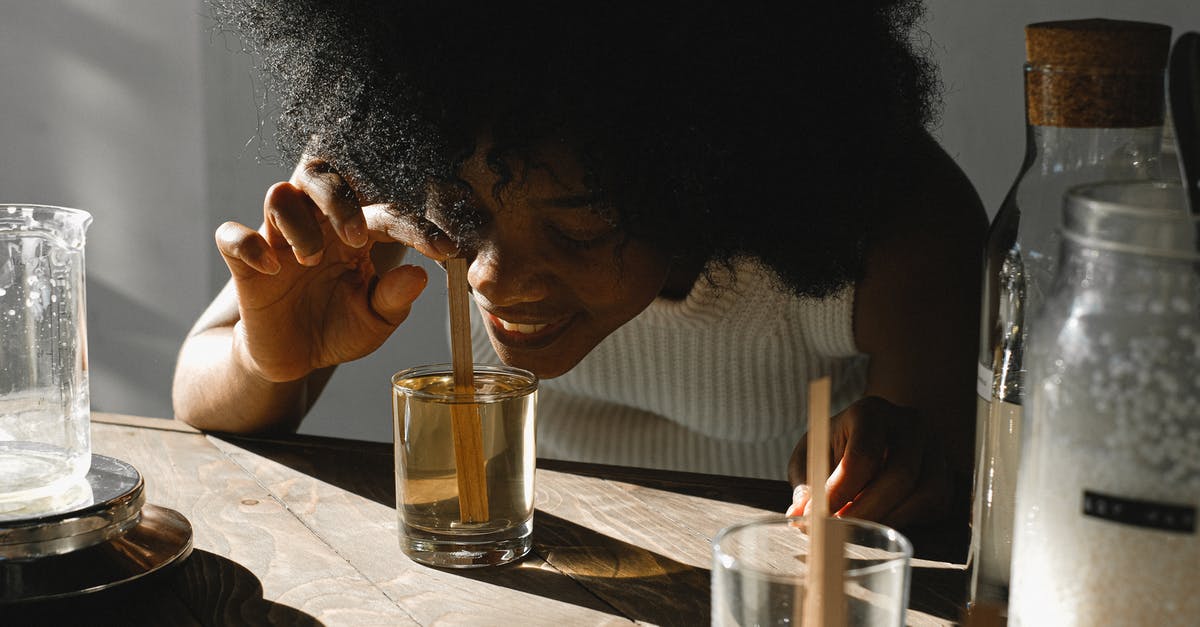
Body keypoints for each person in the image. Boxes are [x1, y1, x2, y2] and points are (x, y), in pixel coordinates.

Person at [174, 0, 986, 530]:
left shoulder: (889, 226)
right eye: (464, 215)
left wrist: (909, 477)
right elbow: (194, 387)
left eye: (581, 228)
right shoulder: (427, 144)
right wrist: (260, 357)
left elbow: (945, 520)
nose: (490, 274)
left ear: (707, 169)